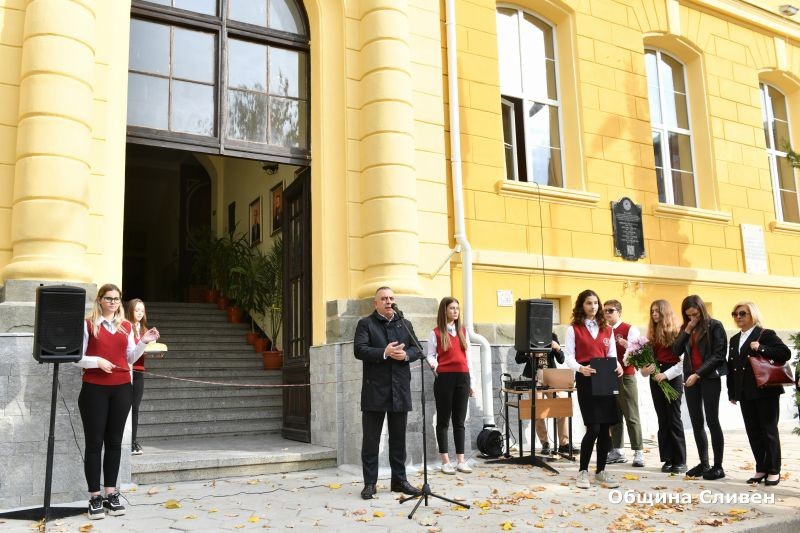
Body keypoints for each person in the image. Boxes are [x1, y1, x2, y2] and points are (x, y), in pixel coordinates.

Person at [75, 284, 160, 520]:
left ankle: (111, 494)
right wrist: (96, 362)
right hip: (94, 389)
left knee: (114, 443)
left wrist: (143, 341)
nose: (113, 302)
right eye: (109, 298)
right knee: (94, 443)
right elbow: (76, 357)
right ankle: (95, 497)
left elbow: (130, 357)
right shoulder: (88, 324)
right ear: (100, 300)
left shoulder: (126, 326)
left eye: (116, 299)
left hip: (122, 388)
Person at [354, 287, 423, 500]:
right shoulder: (366, 324)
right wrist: (384, 352)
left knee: (398, 440)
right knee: (371, 440)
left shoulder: (405, 323)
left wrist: (405, 355)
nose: (388, 301)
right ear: (375, 303)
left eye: (391, 298)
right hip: (375, 390)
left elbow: (417, 349)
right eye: (383, 298)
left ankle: (399, 481)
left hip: (399, 390)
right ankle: (370, 483)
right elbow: (359, 350)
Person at [563, 289, 622, 489]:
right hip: (586, 378)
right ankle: (582, 472)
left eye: (596, 303)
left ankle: (601, 472)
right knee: (594, 427)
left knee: (605, 429)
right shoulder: (574, 329)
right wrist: (581, 368)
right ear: (582, 305)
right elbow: (569, 357)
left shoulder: (607, 329)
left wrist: (618, 366)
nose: (593, 306)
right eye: (589, 303)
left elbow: (612, 354)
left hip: (606, 377)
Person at [727, 301, 791, 486]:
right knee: (753, 432)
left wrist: (761, 348)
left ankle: (774, 470)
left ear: (752, 315)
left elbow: (784, 353)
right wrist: (732, 392)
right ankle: (761, 468)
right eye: (735, 314)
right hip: (745, 393)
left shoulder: (766, 334)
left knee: (768, 431)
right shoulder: (734, 339)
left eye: (742, 313)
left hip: (765, 391)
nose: (738, 317)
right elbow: (732, 367)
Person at [673, 295, 727, 480]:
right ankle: (704, 464)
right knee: (697, 423)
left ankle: (718, 466)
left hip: (709, 377)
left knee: (712, 421)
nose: (692, 318)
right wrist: (687, 330)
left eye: (695, 314)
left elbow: (719, 355)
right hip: (691, 378)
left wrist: (698, 374)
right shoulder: (686, 327)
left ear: (702, 310)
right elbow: (676, 351)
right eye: (688, 315)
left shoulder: (715, 326)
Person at [426, 297, 474, 474]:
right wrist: (434, 364)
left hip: (463, 378)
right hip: (444, 378)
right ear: (444, 310)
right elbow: (430, 355)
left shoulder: (463, 331)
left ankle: (461, 461)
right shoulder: (436, 333)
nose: (455, 311)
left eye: (457, 308)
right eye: (452, 308)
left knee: (459, 421)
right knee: (443, 420)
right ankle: (445, 461)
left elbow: (468, 359)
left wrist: (472, 382)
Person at [642, 299, 687, 474]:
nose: (654, 314)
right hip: (656, 377)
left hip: (672, 376)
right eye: (652, 311)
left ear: (665, 312)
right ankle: (667, 459)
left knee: (674, 418)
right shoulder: (651, 337)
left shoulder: (677, 333)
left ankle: (680, 460)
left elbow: (684, 362)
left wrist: (666, 375)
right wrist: (646, 370)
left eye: (657, 311)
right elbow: (644, 367)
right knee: (662, 419)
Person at [514, 332, 576, 456]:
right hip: (534, 377)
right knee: (538, 411)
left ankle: (564, 443)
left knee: (562, 406)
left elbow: (561, 360)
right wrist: (530, 354)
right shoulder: (527, 336)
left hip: (551, 376)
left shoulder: (552, 336)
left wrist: (558, 348)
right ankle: (545, 443)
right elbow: (518, 359)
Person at [603, 300, 644, 468]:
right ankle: (618, 450)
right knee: (614, 416)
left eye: (610, 310)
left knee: (631, 414)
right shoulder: (603, 330)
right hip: (608, 376)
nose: (607, 313)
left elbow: (636, 354)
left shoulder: (629, 329)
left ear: (619, 312)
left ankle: (638, 451)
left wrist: (627, 345)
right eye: (605, 311)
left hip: (626, 376)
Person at [125, 298, 149, 456]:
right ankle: (123, 441)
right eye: (137, 310)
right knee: (124, 407)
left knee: (135, 408)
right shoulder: (126, 327)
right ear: (130, 311)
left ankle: (133, 441)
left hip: (139, 371)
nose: (140, 313)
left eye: (142, 310)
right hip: (126, 371)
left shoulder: (145, 330)